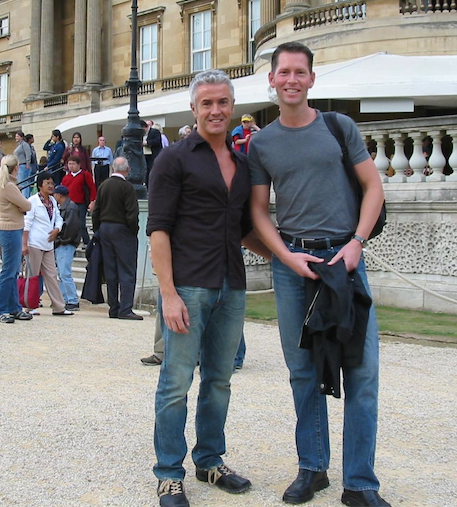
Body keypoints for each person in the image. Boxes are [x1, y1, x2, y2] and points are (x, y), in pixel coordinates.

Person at [248, 42, 388, 507]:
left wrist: (357, 242)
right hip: (295, 268)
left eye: (299, 72)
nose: (291, 80)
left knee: (362, 373)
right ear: (272, 79)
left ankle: (360, 483)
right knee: (302, 370)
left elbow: (373, 187)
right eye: (283, 72)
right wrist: (284, 257)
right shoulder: (261, 142)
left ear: (311, 79)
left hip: (344, 261)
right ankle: (313, 468)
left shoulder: (338, 126)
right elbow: (258, 211)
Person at [148, 69, 271, 507]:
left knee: (219, 380)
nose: (215, 110)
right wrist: (168, 293)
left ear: (231, 107)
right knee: (176, 381)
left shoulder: (242, 164)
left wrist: (283, 255)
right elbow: (158, 230)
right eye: (207, 103)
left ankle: (209, 459)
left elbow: (242, 230)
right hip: (188, 286)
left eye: (222, 102)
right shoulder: (174, 159)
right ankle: (168, 472)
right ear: (194, 109)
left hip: (230, 286)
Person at [91, 156, 142, 321]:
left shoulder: (103, 185)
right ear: (126, 170)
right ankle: (126, 308)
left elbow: (96, 210)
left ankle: (114, 307)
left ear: (113, 168)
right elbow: (132, 213)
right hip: (122, 229)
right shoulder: (127, 187)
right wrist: (133, 231)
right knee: (127, 269)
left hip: (105, 228)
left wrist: (98, 229)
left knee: (111, 270)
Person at [23, 171, 73, 316]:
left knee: (51, 275)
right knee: (32, 275)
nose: (51, 186)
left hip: (48, 243)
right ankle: (29, 306)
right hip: (34, 243)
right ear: (40, 185)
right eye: (48, 183)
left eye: (52, 183)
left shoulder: (52, 201)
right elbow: (27, 222)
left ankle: (59, 306)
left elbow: (58, 217)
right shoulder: (33, 201)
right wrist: (24, 244)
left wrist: (57, 229)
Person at [0, 154, 34, 324]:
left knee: (12, 271)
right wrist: (21, 205)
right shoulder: (9, 186)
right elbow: (27, 205)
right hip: (9, 230)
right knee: (9, 272)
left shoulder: (8, 185)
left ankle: (13, 307)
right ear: (16, 167)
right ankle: (1, 309)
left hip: (11, 229)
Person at [53, 184, 81, 311]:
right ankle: (65, 298)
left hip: (66, 243)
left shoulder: (70, 208)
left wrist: (61, 240)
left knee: (65, 272)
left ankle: (72, 299)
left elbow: (71, 227)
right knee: (62, 273)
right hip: (64, 242)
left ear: (59, 195)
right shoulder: (67, 207)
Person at [61, 155, 96, 247]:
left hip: (81, 204)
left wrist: (92, 201)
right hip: (68, 205)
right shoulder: (66, 178)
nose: (71, 166)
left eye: (73, 164)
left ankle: (87, 243)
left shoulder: (85, 175)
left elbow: (92, 188)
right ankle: (70, 242)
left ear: (79, 165)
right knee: (68, 225)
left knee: (81, 224)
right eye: (69, 164)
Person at [14, 131, 34, 199]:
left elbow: (28, 154)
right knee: (21, 183)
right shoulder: (18, 145)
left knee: (24, 183)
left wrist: (28, 164)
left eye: (17, 136)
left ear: (21, 137)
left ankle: (25, 197)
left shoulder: (24, 144)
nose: (16, 137)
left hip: (24, 165)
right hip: (19, 165)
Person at [143, 120, 163, 185]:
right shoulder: (142, 134)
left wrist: (147, 143)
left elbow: (157, 141)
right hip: (145, 155)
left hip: (153, 155)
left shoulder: (155, 132)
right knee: (146, 171)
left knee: (152, 170)